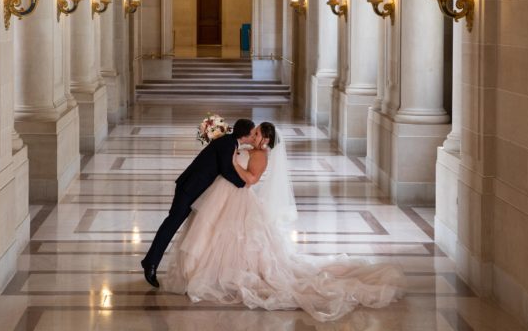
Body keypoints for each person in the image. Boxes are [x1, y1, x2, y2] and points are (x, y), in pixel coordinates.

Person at [162, 122, 405, 322]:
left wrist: (234, 163)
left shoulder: (261, 156)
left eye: (256, 134)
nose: (253, 135)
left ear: (265, 140)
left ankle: (217, 273)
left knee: (234, 238)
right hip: (223, 195)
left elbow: (251, 180)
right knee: (207, 231)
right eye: (254, 132)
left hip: (238, 198)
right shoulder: (250, 148)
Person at [141, 118, 256, 288]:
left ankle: (152, 261)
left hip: (196, 190)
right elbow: (226, 170)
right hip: (188, 189)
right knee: (171, 225)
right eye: (252, 134)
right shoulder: (227, 144)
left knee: (178, 226)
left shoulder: (230, 142)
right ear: (244, 135)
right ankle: (150, 263)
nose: (253, 137)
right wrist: (243, 184)